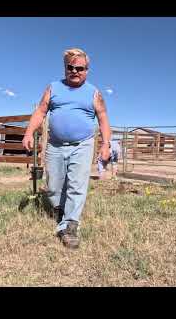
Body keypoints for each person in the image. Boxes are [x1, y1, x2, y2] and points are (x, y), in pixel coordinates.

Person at [22, 48, 111, 249]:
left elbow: (103, 118)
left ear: (87, 70)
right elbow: (40, 111)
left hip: (83, 144)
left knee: (77, 184)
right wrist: (28, 133)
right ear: (65, 68)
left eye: (80, 68)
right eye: (70, 67)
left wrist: (105, 145)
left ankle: (70, 225)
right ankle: (60, 209)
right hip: (55, 144)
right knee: (53, 185)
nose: (75, 71)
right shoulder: (53, 88)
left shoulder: (94, 93)